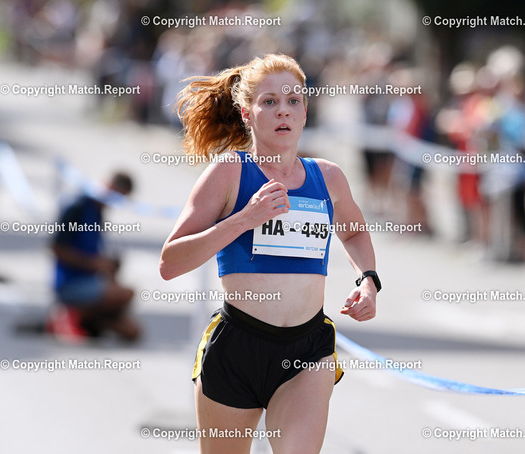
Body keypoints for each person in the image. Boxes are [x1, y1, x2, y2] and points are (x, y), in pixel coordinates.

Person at [160, 54, 379, 454]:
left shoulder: (328, 177)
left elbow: (354, 232)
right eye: (270, 101)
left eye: (293, 101)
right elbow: (170, 263)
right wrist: (245, 219)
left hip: (308, 351)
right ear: (247, 113)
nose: (283, 111)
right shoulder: (229, 172)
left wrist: (368, 280)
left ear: (305, 112)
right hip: (237, 348)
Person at [50, 172, 140, 342]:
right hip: (70, 283)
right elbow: (57, 248)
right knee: (126, 294)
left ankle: (87, 322)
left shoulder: (97, 212)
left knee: (132, 332)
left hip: (90, 280)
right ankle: (71, 315)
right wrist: (94, 264)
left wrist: (106, 266)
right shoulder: (78, 208)